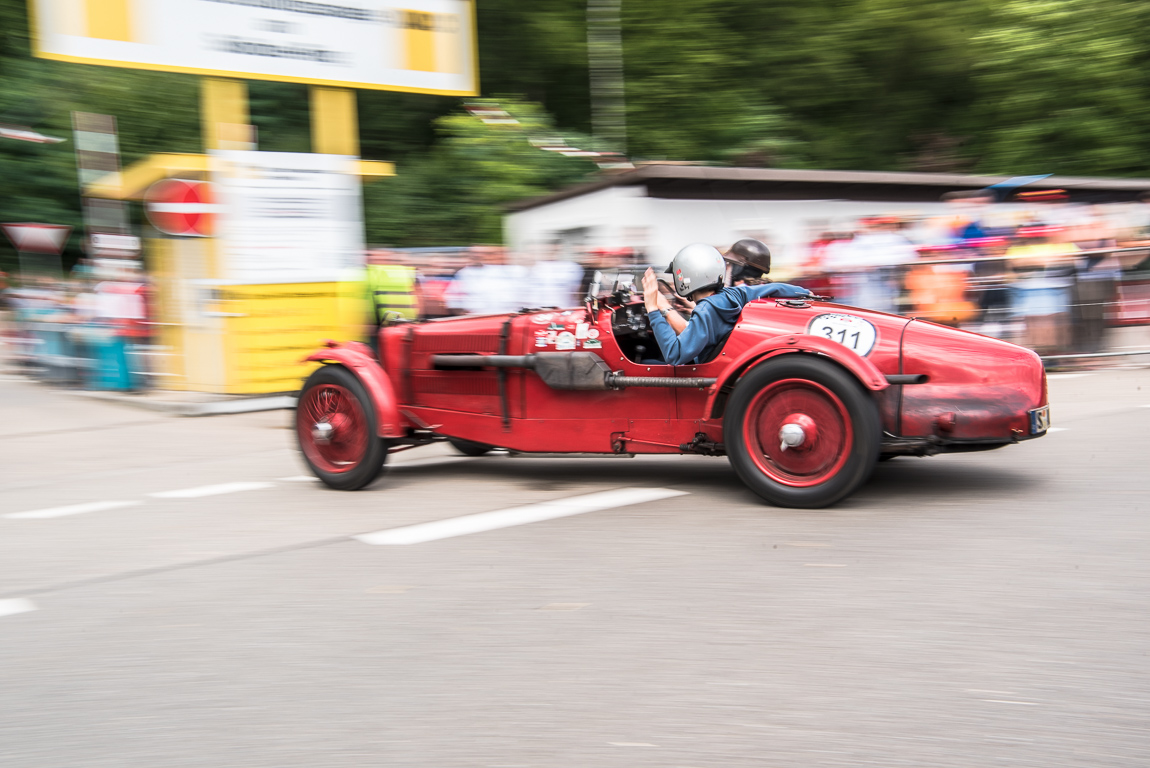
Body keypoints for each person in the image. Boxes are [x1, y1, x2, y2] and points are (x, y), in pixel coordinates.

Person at [641, 243, 810, 365]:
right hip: (725, 361)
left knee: (647, 361)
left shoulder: (706, 310)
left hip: (705, 372)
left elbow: (674, 355)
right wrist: (807, 293)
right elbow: (777, 287)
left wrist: (654, 309)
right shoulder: (734, 295)